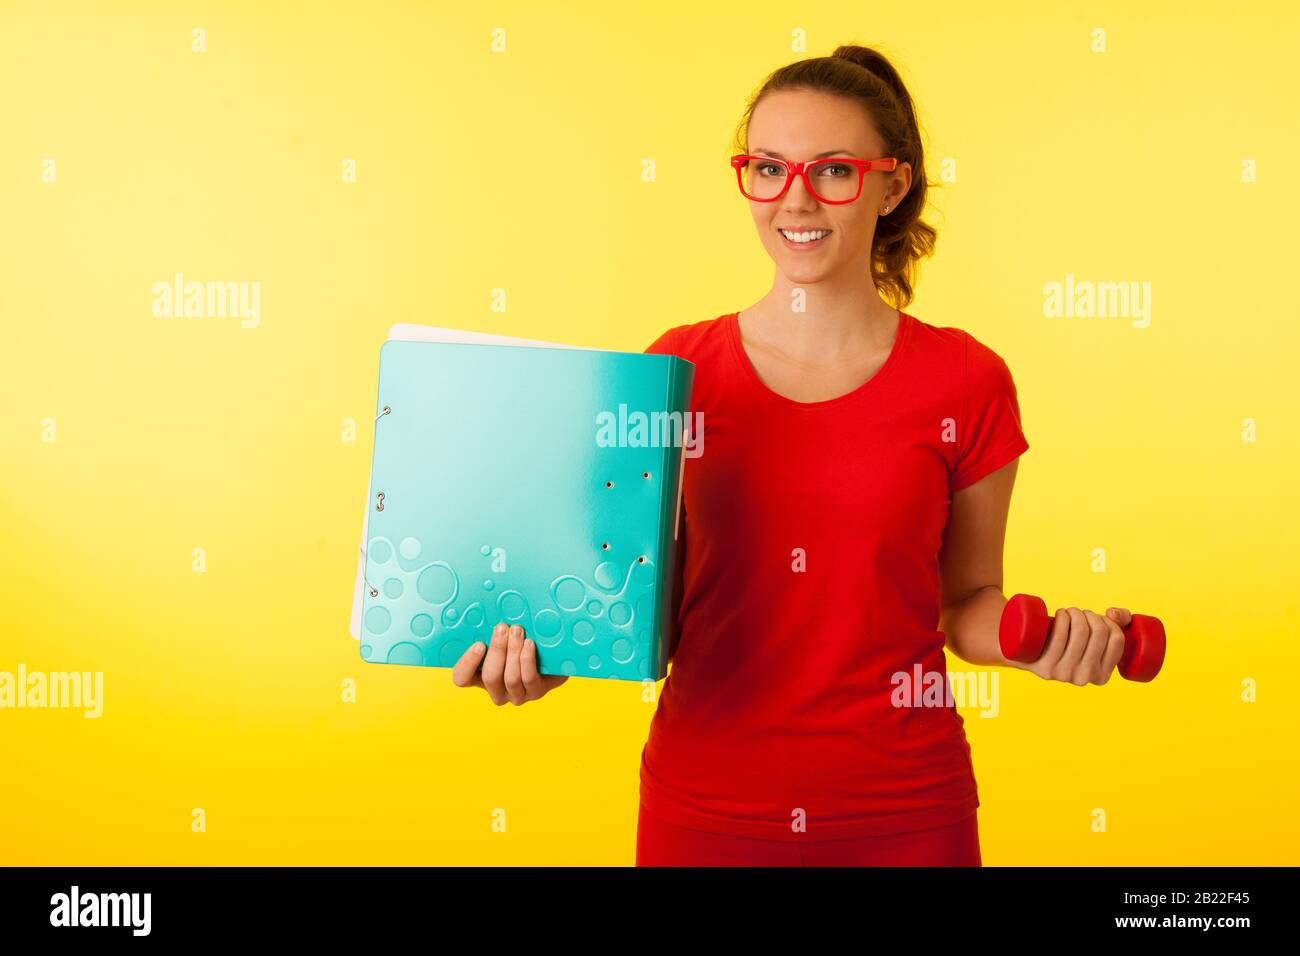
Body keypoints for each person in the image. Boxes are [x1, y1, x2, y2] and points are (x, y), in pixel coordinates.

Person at [450, 43, 1135, 867]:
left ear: (893, 184)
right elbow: (635, 607)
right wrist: (542, 659)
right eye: (768, 168)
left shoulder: (967, 380)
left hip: (906, 812)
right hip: (705, 808)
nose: (795, 198)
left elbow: (967, 603)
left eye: (834, 170)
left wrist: (1050, 640)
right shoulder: (676, 372)